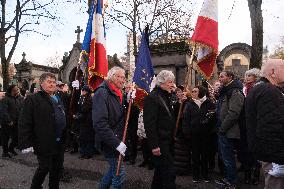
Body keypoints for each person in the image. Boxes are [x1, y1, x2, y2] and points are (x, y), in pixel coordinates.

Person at [18, 73, 66, 189]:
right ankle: (35, 186)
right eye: (49, 81)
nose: (52, 84)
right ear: (41, 83)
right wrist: (26, 143)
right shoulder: (33, 99)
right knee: (44, 168)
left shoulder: (58, 98)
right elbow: (24, 121)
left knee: (56, 170)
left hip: (59, 142)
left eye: (54, 82)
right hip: (43, 141)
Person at [246, 59, 284, 189]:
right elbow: (272, 127)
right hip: (274, 156)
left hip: (268, 152)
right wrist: (280, 160)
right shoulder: (269, 91)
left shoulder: (261, 88)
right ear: (273, 72)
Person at [92, 66, 127, 189]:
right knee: (119, 173)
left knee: (112, 171)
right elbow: (100, 124)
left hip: (117, 139)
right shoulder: (102, 92)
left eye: (124, 77)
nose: (123, 80)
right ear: (111, 77)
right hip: (109, 141)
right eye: (119, 77)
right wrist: (116, 143)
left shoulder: (119, 93)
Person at [143, 70, 177, 189]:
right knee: (169, 173)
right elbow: (149, 124)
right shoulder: (152, 97)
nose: (173, 85)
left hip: (168, 141)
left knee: (160, 174)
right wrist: (154, 145)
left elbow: (170, 115)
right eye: (170, 82)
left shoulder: (167, 96)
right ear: (161, 83)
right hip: (160, 143)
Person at [215, 71, 245, 189]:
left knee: (228, 158)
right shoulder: (226, 90)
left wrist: (222, 128)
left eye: (222, 76)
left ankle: (231, 183)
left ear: (230, 77)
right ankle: (228, 178)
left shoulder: (235, 92)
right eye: (219, 76)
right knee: (224, 156)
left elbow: (233, 113)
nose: (220, 78)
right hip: (223, 129)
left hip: (228, 131)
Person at [182, 86, 216, 183]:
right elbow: (186, 120)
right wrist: (186, 132)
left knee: (205, 155)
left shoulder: (209, 103)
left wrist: (211, 131)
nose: (192, 92)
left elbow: (214, 119)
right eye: (192, 91)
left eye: (195, 91)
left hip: (206, 135)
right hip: (194, 134)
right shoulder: (189, 104)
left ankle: (205, 174)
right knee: (195, 155)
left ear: (201, 92)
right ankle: (195, 175)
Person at [1, 85, 24, 158]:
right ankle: (5, 152)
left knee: (17, 137)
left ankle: (10, 148)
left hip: (16, 122)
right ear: (12, 90)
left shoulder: (17, 99)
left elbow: (19, 110)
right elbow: (3, 111)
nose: (18, 90)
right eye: (16, 89)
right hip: (7, 122)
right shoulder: (5, 99)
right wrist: (9, 120)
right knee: (6, 138)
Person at [74, 85, 95, 159]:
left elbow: (85, 108)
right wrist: (77, 114)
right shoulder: (81, 97)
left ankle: (88, 153)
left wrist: (79, 114)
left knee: (88, 138)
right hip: (82, 121)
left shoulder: (90, 98)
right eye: (82, 90)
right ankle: (83, 153)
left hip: (88, 121)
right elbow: (79, 107)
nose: (82, 92)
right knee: (82, 138)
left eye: (83, 90)